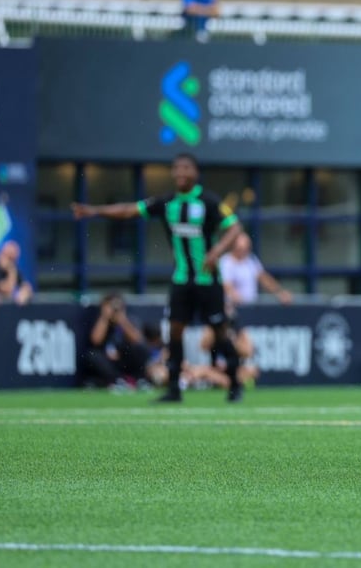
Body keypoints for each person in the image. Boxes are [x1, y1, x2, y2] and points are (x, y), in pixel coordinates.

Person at [71, 152, 245, 403]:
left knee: (219, 332)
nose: (181, 172)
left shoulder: (209, 201)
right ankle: (174, 389)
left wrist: (217, 251)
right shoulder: (168, 203)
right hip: (182, 279)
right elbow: (130, 210)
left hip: (209, 281)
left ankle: (235, 385)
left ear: (195, 173)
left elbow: (235, 227)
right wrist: (95, 210)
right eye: (177, 168)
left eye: (186, 168)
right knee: (175, 331)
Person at [198, 231, 291, 381]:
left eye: (246, 248)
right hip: (227, 312)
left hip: (244, 314)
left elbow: (263, 277)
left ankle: (230, 376)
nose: (243, 251)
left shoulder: (251, 261)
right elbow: (227, 287)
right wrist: (236, 299)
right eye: (240, 248)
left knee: (248, 361)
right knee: (217, 344)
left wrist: (279, 292)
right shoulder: (226, 262)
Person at [80, 292, 150, 390]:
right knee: (93, 355)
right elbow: (96, 341)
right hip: (107, 363)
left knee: (141, 349)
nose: (114, 310)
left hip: (124, 360)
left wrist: (122, 320)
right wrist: (105, 317)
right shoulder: (99, 321)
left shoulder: (129, 320)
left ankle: (139, 380)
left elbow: (138, 340)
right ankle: (116, 381)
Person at [0, 240, 33, 305]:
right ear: (2, 255)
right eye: (10, 258)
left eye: (14, 259)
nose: (12, 262)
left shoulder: (14, 269)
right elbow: (7, 290)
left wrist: (23, 293)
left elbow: (27, 287)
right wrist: (11, 270)